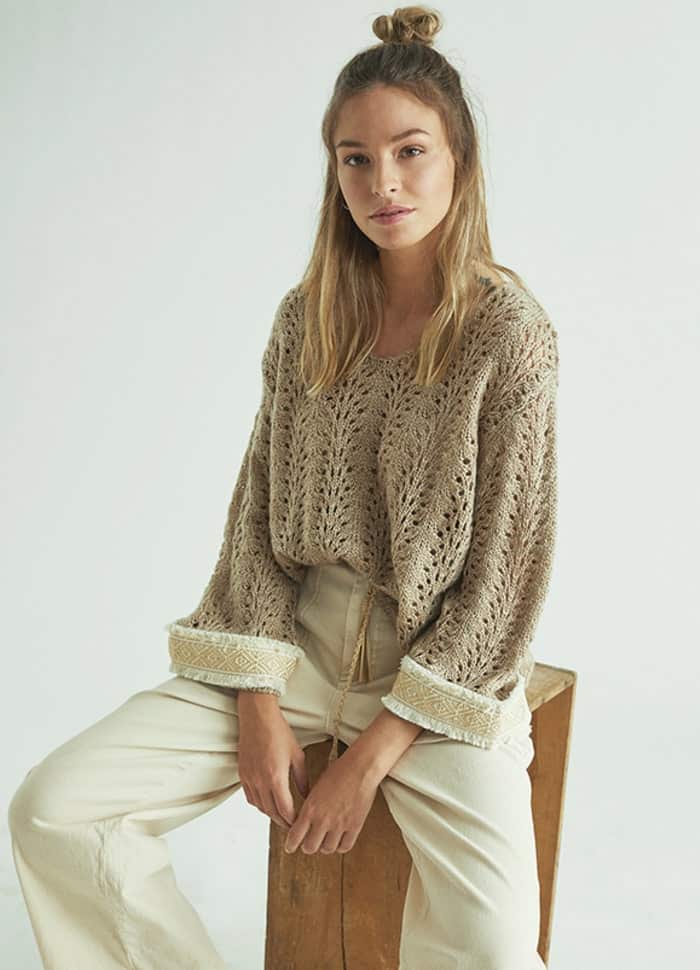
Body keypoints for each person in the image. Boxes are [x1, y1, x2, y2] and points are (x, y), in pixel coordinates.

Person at [8, 6, 558, 968]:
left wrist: (372, 755)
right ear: (333, 172)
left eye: (410, 151)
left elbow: (503, 582)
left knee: (498, 948)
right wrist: (257, 699)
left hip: (435, 680)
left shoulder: (509, 336)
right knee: (56, 807)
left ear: (460, 160)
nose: (383, 183)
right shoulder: (308, 319)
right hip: (294, 646)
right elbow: (257, 524)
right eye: (355, 159)